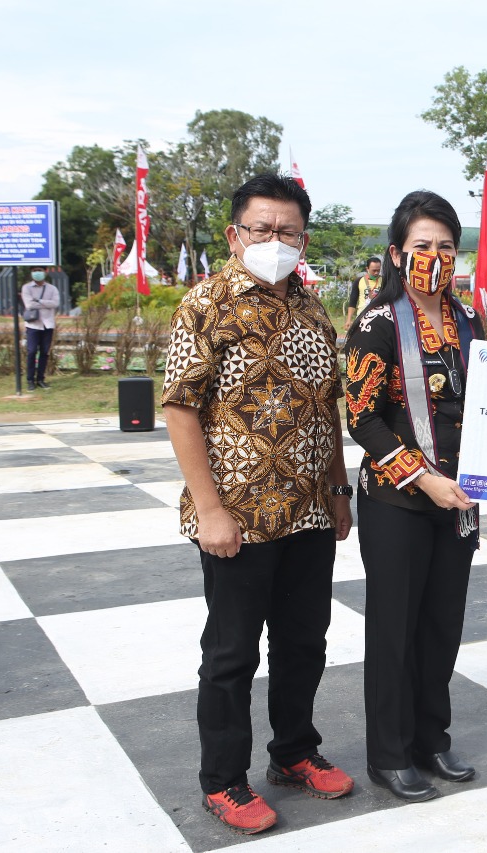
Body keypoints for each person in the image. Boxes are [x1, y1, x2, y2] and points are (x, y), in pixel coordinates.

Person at [162, 173, 355, 836]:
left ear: (303, 238)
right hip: (236, 517)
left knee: (304, 642)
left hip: (306, 510)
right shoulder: (205, 303)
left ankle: (294, 752)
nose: (274, 241)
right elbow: (180, 409)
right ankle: (223, 778)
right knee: (232, 652)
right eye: (261, 229)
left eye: (288, 232)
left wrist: (336, 488)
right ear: (234, 233)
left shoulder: (311, 304)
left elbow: (325, 406)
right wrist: (209, 508)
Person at [344, 190, 485, 803]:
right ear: (397, 253)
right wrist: (421, 475)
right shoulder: (376, 324)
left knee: (442, 626)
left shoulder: (470, 320)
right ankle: (390, 754)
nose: (435, 256)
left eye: (446, 246)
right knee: (395, 629)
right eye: (422, 245)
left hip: (459, 502)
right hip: (398, 503)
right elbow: (361, 418)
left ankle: (432, 738)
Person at [21, 266, 60, 390]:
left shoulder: (52, 288)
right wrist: (45, 303)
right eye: (34, 271)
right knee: (31, 352)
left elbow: (55, 303)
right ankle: (30, 380)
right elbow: (29, 305)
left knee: (44, 352)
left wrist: (38, 301)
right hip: (33, 325)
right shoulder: (26, 288)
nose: (37, 273)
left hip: (48, 324)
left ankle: (41, 379)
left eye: (39, 270)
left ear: (45, 272)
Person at [345, 256, 382, 331]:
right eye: (374, 270)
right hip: (362, 318)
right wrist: (349, 320)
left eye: (378, 270)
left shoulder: (385, 281)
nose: (376, 273)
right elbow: (353, 302)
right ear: (367, 269)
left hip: (380, 317)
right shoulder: (358, 281)